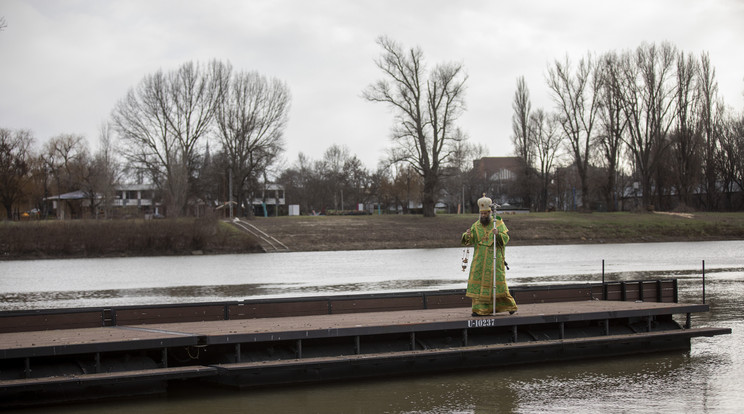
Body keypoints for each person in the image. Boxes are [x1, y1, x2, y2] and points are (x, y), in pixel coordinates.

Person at [461, 194, 518, 317]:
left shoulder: (497, 223)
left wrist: (498, 234)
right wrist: (467, 235)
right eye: (482, 214)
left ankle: (509, 306)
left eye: (485, 214)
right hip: (479, 260)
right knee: (478, 286)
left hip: (494, 259)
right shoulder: (476, 226)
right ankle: (478, 310)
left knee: (498, 283)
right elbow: (469, 240)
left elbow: (506, 238)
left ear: (490, 212)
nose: (483, 216)